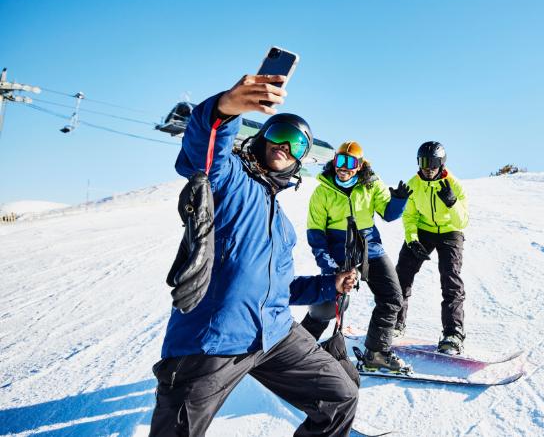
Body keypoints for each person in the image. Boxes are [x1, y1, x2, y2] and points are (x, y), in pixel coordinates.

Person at [150, 74, 359, 437]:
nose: (284, 145)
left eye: (296, 144)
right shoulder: (229, 181)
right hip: (212, 341)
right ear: (261, 139)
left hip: (274, 335)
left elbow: (279, 288)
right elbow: (205, 149)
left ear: (301, 161)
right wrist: (225, 109)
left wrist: (330, 285)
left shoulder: (282, 224)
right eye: (278, 134)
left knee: (340, 397)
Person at [302, 141, 412, 372]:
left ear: (360, 166)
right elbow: (316, 233)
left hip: (369, 248)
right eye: (340, 161)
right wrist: (329, 265)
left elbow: (389, 215)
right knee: (329, 304)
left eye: (350, 162)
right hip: (338, 251)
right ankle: (298, 349)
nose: (344, 168)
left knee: (392, 297)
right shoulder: (323, 191)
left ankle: (376, 353)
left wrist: (399, 201)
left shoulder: (371, 185)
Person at [394, 141, 469, 355]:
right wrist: (412, 239)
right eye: (423, 162)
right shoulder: (413, 184)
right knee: (402, 275)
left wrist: (452, 203)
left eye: (433, 163)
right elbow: (410, 216)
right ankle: (396, 324)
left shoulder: (454, 185)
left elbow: (463, 222)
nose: (428, 168)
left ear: (441, 163)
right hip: (424, 230)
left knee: (450, 278)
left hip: (450, 231)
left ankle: (453, 334)